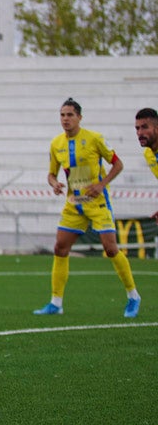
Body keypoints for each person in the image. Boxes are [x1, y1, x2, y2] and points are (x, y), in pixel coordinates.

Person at [34, 98, 141, 318]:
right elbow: (51, 174)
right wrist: (54, 184)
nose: (65, 119)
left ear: (79, 117)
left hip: (97, 203)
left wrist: (101, 184)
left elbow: (118, 164)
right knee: (60, 248)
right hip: (74, 205)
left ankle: (133, 296)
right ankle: (56, 303)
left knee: (110, 249)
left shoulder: (94, 139)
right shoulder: (56, 144)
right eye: (62, 115)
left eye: (70, 115)